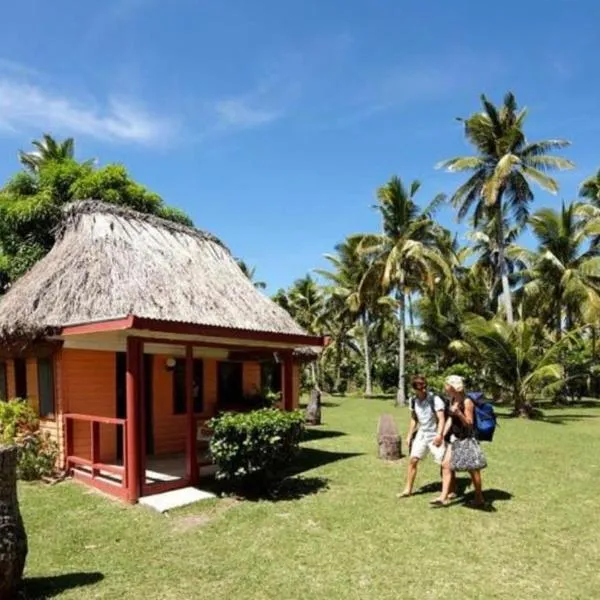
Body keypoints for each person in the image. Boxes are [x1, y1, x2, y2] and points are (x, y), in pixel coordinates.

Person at [434, 375, 487, 507]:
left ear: (452, 387)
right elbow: (450, 419)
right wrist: (441, 435)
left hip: (467, 438)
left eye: (446, 384)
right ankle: (443, 497)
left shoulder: (467, 401)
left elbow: (469, 423)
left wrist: (459, 413)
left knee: (473, 469)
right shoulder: (453, 399)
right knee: (446, 465)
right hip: (455, 438)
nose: (445, 387)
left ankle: (479, 498)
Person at [397, 375, 447, 498]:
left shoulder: (435, 399)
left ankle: (449, 490)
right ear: (415, 388)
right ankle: (408, 489)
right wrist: (409, 435)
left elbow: (441, 419)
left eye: (424, 386)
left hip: (435, 433)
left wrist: (440, 435)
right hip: (422, 433)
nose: (423, 389)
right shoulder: (413, 400)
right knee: (413, 460)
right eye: (419, 387)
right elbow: (414, 418)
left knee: (444, 463)